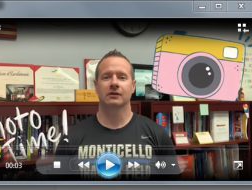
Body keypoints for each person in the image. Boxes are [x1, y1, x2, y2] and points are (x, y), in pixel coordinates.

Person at [56, 49, 178, 179]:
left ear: (133, 86)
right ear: (96, 86)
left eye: (122, 77)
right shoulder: (71, 139)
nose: (114, 83)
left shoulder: (158, 135)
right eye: (106, 77)